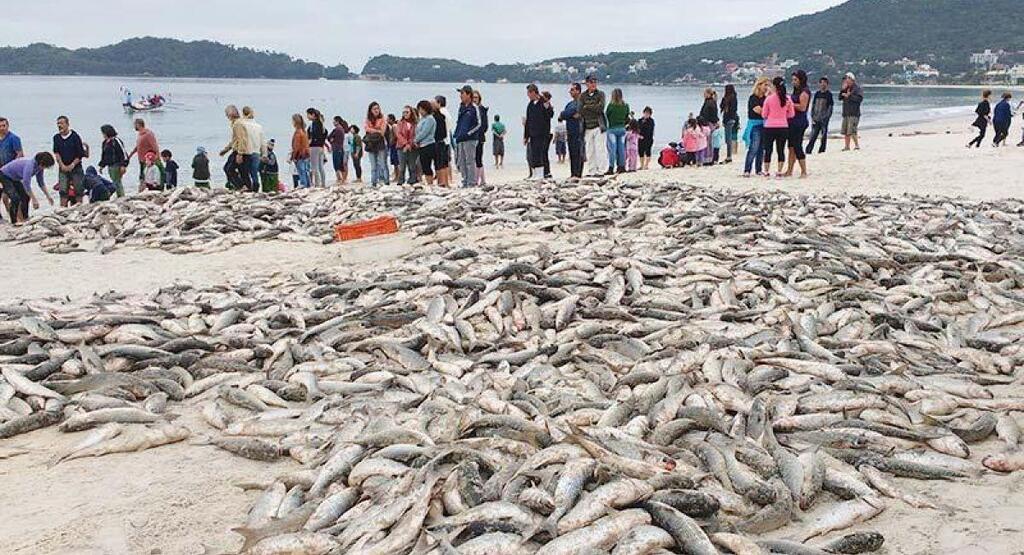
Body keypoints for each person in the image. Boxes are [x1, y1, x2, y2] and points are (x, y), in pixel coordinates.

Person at [0, 153, 54, 223]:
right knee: (15, 198)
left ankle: (25, 218)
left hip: (14, 178)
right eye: (46, 166)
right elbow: (26, 184)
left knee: (26, 196)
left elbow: (41, 182)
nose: (45, 168)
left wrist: (48, 196)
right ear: (41, 163)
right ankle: (14, 221)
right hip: (4, 175)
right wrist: (34, 200)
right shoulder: (29, 166)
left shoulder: (39, 167)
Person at [762, 76, 795, 178]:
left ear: (774, 86)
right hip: (783, 126)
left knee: (768, 150)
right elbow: (791, 114)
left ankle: (766, 171)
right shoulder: (788, 99)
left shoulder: (769, 98)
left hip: (769, 126)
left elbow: (764, 114)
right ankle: (779, 171)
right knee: (780, 149)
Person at [51, 116, 88, 206]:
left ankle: (79, 208)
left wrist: (72, 165)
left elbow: (80, 154)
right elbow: (56, 152)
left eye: (62, 123)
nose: (60, 125)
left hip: (76, 168)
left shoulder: (75, 136)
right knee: (63, 190)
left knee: (79, 189)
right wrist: (61, 165)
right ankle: (62, 209)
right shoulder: (56, 137)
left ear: (67, 124)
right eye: (58, 124)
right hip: (62, 168)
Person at [453, 85, 483, 187]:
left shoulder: (474, 108)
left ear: (468, 94)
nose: (460, 96)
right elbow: (459, 122)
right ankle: (465, 181)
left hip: (470, 139)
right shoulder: (461, 107)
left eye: (462, 93)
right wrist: (457, 134)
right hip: (460, 138)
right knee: (461, 161)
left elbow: (479, 124)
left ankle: (472, 182)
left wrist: (468, 133)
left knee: (470, 161)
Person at [784, 69, 811, 178]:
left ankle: (804, 171)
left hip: (799, 122)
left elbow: (803, 107)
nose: (793, 82)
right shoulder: (795, 91)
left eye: (795, 80)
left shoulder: (804, 91)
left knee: (797, 146)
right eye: (793, 80)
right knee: (790, 146)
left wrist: (790, 104)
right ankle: (789, 170)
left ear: (801, 80)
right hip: (791, 121)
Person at [524, 84, 553, 180]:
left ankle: (541, 174)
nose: (528, 95)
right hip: (533, 133)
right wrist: (526, 135)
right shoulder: (530, 104)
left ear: (533, 92)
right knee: (534, 153)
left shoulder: (543, 101)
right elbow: (528, 121)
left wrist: (547, 106)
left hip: (543, 133)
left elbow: (550, 114)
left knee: (540, 153)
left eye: (529, 93)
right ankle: (535, 173)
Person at [219, 105, 251, 191]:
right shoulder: (235, 123)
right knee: (242, 171)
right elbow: (234, 140)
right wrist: (225, 150)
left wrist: (240, 153)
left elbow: (242, 139)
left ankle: (241, 186)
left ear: (231, 114)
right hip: (239, 150)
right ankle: (247, 188)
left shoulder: (238, 124)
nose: (226, 117)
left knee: (229, 169)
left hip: (240, 151)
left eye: (227, 114)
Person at [580, 75, 608, 176]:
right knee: (590, 150)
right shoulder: (583, 96)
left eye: (595, 82)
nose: (593, 84)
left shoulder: (601, 94)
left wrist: (587, 106)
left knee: (600, 149)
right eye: (591, 82)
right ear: (587, 83)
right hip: (587, 126)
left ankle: (602, 170)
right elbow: (580, 110)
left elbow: (600, 108)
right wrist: (591, 108)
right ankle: (592, 170)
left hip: (598, 125)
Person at [743, 77, 770, 177]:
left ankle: (758, 169)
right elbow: (758, 110)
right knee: (753, 148)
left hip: (764, 124)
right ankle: (747, 169)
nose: (766, 87)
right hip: (755, 125)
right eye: (765, 85)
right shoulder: (753, 98)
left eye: (767, 85)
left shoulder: (766, 98)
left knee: (761, 149)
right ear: (759, 85)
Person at [126, 118, 161, 192]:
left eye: (135, 125)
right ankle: (142, 190)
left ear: (138, 125)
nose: (134, 126)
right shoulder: (140, 134)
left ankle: (147, 190)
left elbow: (155, 146)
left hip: (148, 159)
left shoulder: (148, 134)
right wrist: (130, 155)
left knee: (146, 175)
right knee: (143, 175)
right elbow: (138, 146)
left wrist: (157, 156)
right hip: (141, 159)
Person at [559, 83, 584, 179]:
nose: (570, 92)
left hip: (579, 131)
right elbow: (563, 115)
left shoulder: (581, 102)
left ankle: (578, 174)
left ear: (578, 90)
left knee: (578, 153)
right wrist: (567, 114)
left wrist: (569, 114)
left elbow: (577, 111)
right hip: (570, 131)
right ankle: (573, 173)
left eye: (573, 90)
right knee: (572, 152)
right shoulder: (569, 104)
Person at [363, 102, 390, 187]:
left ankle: (386, 181)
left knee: (383, 164)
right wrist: (376, 130)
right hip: (371, 144)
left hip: (380, 143)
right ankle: (373, 182)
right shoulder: (368, 119)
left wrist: (372, 130)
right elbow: (366, 128)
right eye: (374, 109)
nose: (376, 110)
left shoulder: (382, 119)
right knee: (373, 165)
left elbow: (382, 132)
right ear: (370, 110)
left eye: (377, 108)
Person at [805, 77, 835, 154]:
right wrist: (812, 116)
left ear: (827, 84)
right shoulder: (817, 94)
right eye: (821, 82)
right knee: (813, 135)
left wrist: (826, 117)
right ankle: (808, 150)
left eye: (824, 83)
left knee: (823, 136)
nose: (822, 84)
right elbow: (813, 106)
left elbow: (830, 108)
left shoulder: (829, 95)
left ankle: (822, 150)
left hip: (824, 119)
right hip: (816, 118)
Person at [98, 124, 128, 198]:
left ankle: (121, 196)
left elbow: (123, 153)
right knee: (115, 181)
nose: (103, 135)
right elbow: (104, 155)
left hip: (117, 164)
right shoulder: (105, 142)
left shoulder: (116, 141)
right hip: (110, 165)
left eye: (103, 133)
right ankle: (119, 195)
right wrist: (102, 165)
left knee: (117, 181)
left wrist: (123, 165)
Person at [604, 88, 630, 175]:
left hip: (612, 129)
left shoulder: (611, 106)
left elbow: (607, 115)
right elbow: (627, 116)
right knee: (621, 149)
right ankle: (622, 166)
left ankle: (611, 167)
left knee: (612, 149)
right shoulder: (626, 105)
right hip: (622, 129)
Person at [241, 107, 266, 192]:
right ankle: (256, 189)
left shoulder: (242, 125)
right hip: (256, 152)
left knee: (244, 172)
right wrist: (264, 154)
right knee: (254, 173)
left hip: (246, 152)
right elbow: (263, 142)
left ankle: (248, 188)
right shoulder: (259, 127)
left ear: (243, 114)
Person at [414, 100, 437, 186]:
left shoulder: (430, 119)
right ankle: (428, 181)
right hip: (422, 145)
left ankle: (430, 182)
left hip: (429, 144)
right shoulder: (422, 119)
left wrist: (415, 140)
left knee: (427, 165)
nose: (420, 111)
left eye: (421, 109)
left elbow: (425, 132)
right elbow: (418, 131)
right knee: (423, 165)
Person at [395, 106, 419, 186]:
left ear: (411, 113)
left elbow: (416, 135)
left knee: (412, 165)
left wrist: (410, 144)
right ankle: (400, 181)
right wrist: (405, 144)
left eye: (407, 112)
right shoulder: (400, 123)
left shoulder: (415, 123)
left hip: (412, 147)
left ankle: (412, 180)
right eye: (403, 112)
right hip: (401, 146)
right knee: (402, 165)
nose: (405, 114)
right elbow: (398, 134)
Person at [839, 72, 864, 151]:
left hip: (854, 113)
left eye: (847, 79)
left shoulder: (857, 88)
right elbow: (840, 97)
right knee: (846, 130)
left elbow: (859, 99)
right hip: (846, 112)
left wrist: (849, 96)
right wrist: (842, 90)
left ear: (851, 79)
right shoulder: (846, 88)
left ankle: (856, 145)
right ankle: (847, 146)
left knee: (852, 130)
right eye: (845, 79)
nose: (846, 81)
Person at [434, 95, 453, 185]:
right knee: (445, 163)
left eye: (435, 102)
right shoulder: (447, 112)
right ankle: (447, 181)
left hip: (442, 140)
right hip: (447, 140)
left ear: (439, 103)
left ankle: (442, 181)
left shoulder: (441, 113)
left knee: (441, 163)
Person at [306, 108, 328, 187]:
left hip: (314, 147)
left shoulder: (314, 124)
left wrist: (310, 142)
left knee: (314, 167)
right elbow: (325, 134)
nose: (307, 116)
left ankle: (317, 184)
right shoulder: (322, 125)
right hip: (321, 147)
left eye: (308, 114)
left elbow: (313, 135)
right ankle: (323, 183)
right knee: (320, 167)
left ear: (313, 115)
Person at [699, 88, 720, 164]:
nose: (703, 95)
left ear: (708, 94)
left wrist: (702, 121)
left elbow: (707, 114)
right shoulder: (712, 102)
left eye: (704, 93)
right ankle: (710, 158)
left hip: (708, 123)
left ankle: (708, 158)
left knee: (707, 142)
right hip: (711, 123)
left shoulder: (709, 103)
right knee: (710, 142)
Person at [472, 90, 489, 186]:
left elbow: (485, 125)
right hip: (472, 138)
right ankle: (481, 179)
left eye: (476, 98)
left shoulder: (482, 109)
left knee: (478, 158)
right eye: (473, 97)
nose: (474, 100)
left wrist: (479, 132)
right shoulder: (471, 109)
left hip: (480, 137)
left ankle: (478, 180)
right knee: (474, 159)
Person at [289, 113, 311, 188]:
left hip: (300, 155)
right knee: (305, 171)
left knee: (301, 171)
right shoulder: (303, 132)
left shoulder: (298, 132)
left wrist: (293, 156)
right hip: (305, 154)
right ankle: (307, 184)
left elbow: (296, 146)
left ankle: (304, 184)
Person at [719, 87, 738, 164]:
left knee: (728, 138)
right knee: (728, 138)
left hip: (728, 119)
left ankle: (729, 156)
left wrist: (725, 120)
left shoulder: (728, 99)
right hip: (732, 119)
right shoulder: (734, 98)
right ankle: (729, 155)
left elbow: (722, 106)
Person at [328, 116, 349, 185]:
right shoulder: (341, 129)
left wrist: (332, 140)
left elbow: (329, 137)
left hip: (337, 148)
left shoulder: (337, 129)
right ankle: (342, 179)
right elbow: (330, 138)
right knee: (340, 164)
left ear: (337, 121)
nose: (333, 122)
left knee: (337, 164)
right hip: (339, 148)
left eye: (334, 121)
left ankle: (341, 179)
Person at [386, 113, 400, 182]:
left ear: (391, 119)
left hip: (395, 146)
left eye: (387, 119)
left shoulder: (394, 126)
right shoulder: (392, 126)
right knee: (395, 162)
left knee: (396, 162)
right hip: (393, 145)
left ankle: (398, 177)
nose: (386, 120)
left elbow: (397, 135)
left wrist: (392, 142)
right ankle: (396, 176)